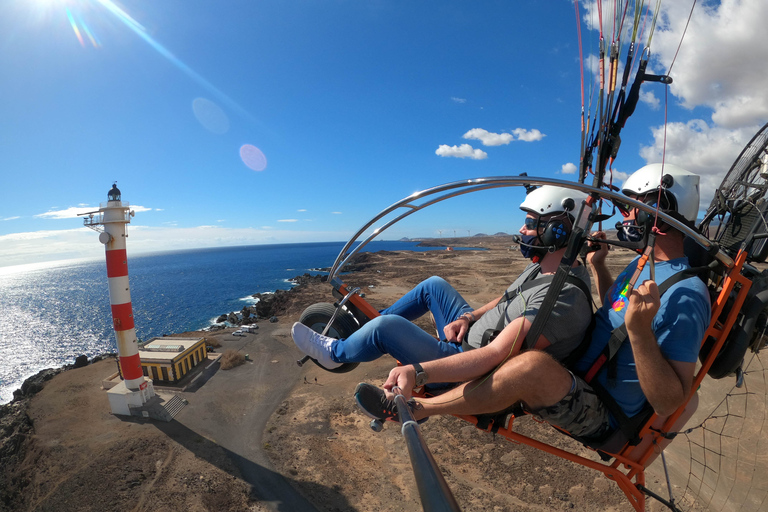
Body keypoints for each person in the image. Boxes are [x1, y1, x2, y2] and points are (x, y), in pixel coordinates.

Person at [356, 164, 711, 442]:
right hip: (579, 375)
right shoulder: (643, 263)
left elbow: (670, 402)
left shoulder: (687, 293)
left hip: (605, 411)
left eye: (633, 208)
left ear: (661, 209)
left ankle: (421, 408)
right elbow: (613, 314)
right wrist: (599, 268)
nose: (625, 217)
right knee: (527, 358)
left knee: (530, 366)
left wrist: (639, 333)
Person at [291, 186, 593, 380]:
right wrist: (467, 317)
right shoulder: (543, 271)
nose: (521, 229)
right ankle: (364, 334)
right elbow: (504, 300)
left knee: (387, 328)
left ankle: (336, 354)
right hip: (468, 335)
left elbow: (495, 361)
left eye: (530, 223)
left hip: (464, 363)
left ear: (557, 232)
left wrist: (420, 375)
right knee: (433, 285)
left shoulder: (560, 299)